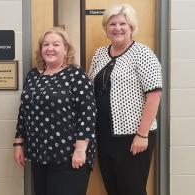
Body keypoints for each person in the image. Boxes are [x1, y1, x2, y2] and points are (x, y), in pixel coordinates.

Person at [88, 3, 162, 195]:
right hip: (104, 135)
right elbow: (90, 87)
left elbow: (154, 94)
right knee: (112, 188)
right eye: (112, 24)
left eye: (122, 24)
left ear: (131, 27)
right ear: (106, 28)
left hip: (133, 137)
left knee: (132, 189)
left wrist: (142, 134)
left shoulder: (143, 54)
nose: (117, 28)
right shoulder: (99, 54)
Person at [13, 27, 96, 195]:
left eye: (56, 44)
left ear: (65, 49)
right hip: (39, 154)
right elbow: (24, 112)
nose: (50, 48)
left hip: (69, 156)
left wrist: (80, 150)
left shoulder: (76, 74)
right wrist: (19, 143)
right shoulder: (33, 75)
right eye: (46, 44)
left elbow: (88, 113)